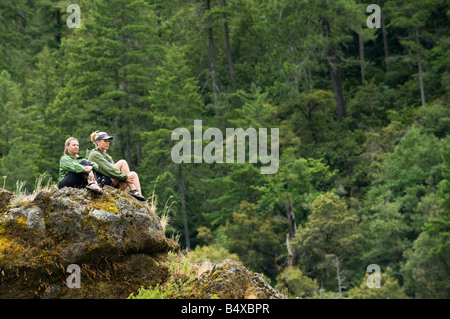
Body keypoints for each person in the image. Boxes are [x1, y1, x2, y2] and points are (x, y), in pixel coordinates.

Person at [87, 131, 145, 201]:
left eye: (108, 141)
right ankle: (133, 189)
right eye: (105, 141)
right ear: (98, 142)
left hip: (112, 181)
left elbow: (114, 170)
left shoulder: (106, 156)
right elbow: (109, 170)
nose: (107, 143)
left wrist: (126, 177)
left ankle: (140, 198)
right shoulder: (94, 154)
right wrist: (126, 177)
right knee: (122, 162)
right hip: (102, 183)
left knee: (133, 174)